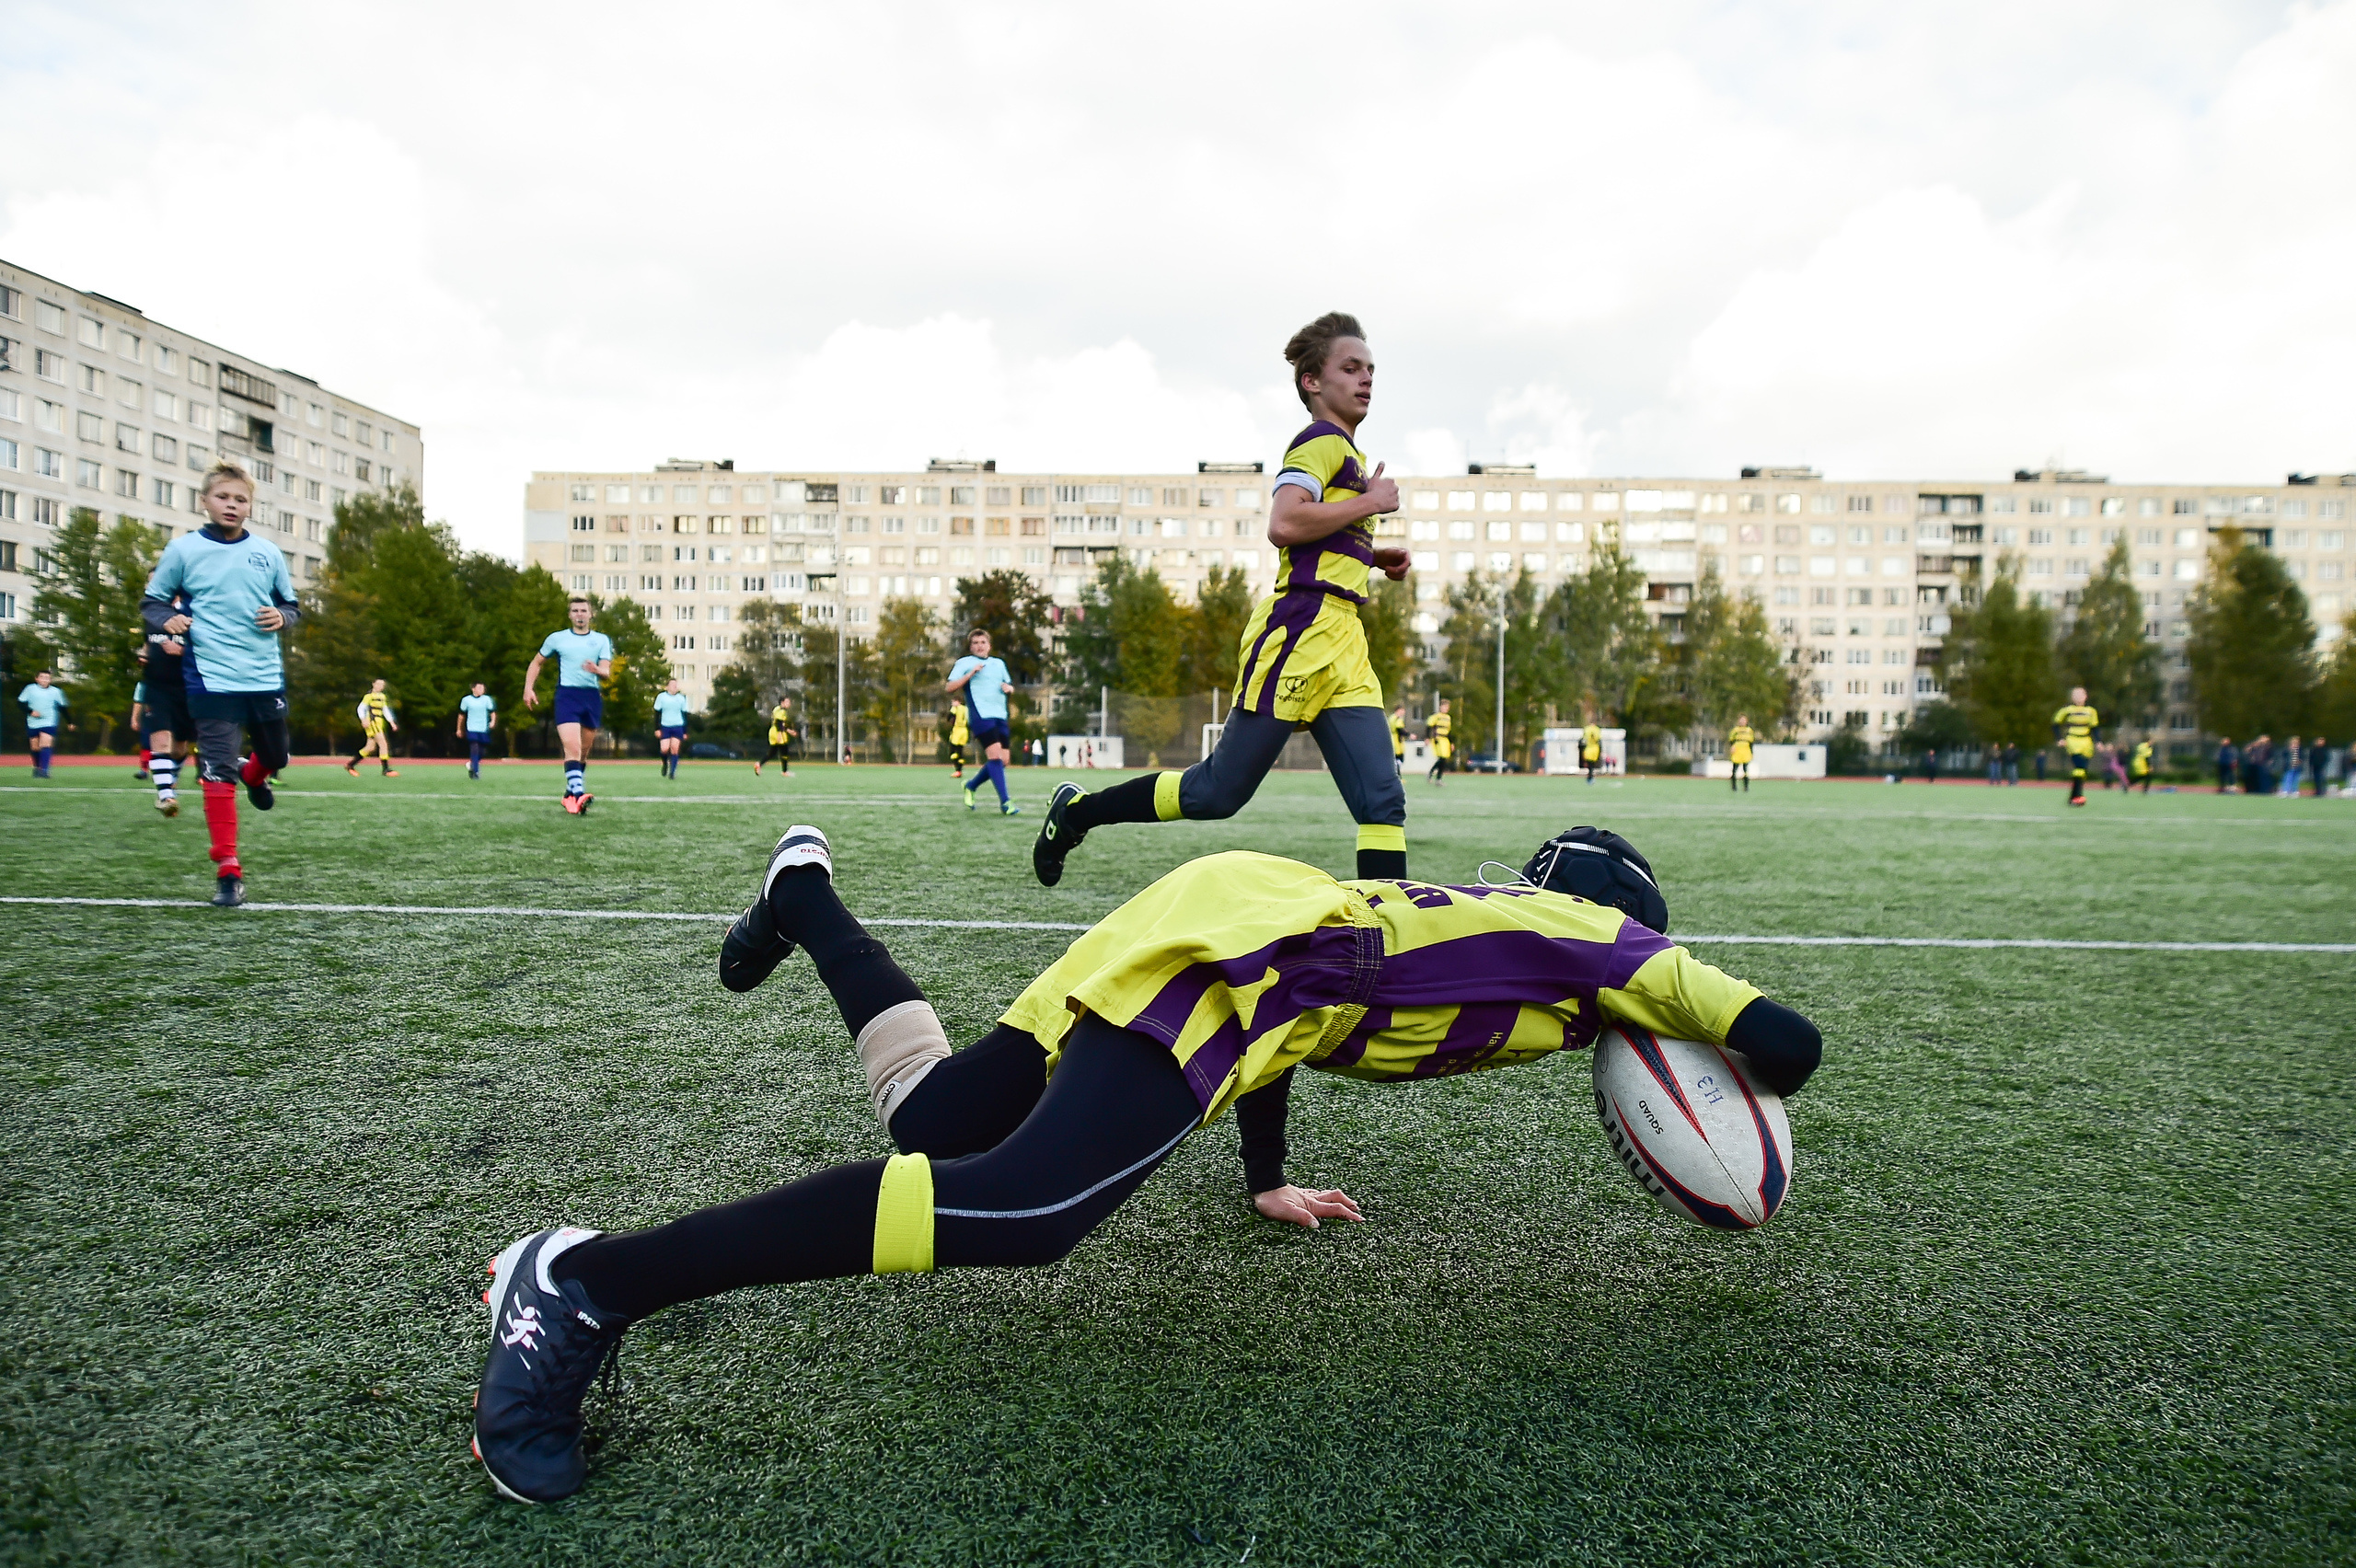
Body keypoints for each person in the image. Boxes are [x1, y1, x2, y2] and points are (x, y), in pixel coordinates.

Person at [471, 823, 1823, 1504]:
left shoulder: (1510, 938)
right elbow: (1788, 1040)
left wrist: (1259, 1181)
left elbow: (1297, 1044)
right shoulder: (1607, 946)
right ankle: (581, 1281)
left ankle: (802, 895)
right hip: (1259, 951)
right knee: (1030, 1208)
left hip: (1230, 922)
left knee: (937, 1126)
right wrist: (1726, 1086)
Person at [1031, 315, 1405, 885]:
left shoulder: (1348, 455)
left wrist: (1373, 558)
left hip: (1345, 639)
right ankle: (1079, 812)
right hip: (1300, 630)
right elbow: (1285, 523)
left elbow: (1315, 540)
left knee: (1382, 801)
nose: (1366, 380)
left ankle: (1388, 940)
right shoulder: (1320, 441)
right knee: (1218, 792)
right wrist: (1371, 504)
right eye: (1350, 368)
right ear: (1312, 382)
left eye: (1370, 370)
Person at [139, 462, 300, 907]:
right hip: (209, 678)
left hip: (264, 675)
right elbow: (151, 601)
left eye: (241, 498)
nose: (232, 504)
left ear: (251, 506)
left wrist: (282, 616)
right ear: (205, 501)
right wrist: (165, 618)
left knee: (277, 755)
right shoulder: (183, 550)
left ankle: (256, 774)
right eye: (223, 497)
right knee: (216, 768)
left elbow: (291, 604)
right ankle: (228, 869)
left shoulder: (268, 553)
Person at [523, 596, 614, 815]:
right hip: (567, 695)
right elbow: (536, 662)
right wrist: (528, 688)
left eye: (583, 610)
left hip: (591, 697)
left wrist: (597, 670)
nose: (579, 614)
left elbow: (607, 671)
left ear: (591, 614)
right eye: (575, 611)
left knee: (582, 754)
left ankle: (569, 796)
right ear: (569, 615)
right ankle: (579, 794)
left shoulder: (601, 640)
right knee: (572, 749)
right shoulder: (557, 639)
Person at [949, 628, 1019, 815]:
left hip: (1000, 715)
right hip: (981, 715)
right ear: (970, 647)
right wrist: (970, 674)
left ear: (989, 645)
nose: (979, 646)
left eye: (983, 642)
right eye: (975, 643)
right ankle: (1006, 803)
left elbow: (1009, 685)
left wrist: (1009, 689)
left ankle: (971, 786)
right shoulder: (965, 663)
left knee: (1003, 760)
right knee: (995, 757)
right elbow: (949, 687)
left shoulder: (998, 663)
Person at [136, 607, 194, 814]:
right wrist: (143, 655)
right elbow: (147, 645)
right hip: (156, 689)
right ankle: (166, 796)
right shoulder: (151, 617)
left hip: (187, 689)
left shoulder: (193, 612)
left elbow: (212, 650)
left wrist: (181, 651)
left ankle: (172, 777)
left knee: (179, 748)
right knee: (161, 741)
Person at [2050, 686, 2098, 807]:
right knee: (2079, 767)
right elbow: (2055, 723)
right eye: (2076, 695)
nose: (2079, 697)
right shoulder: (2067, 710)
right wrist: (2059, 739)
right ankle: (2078, 796)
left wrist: (2099, 742)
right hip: (2073, 740)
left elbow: (2095, 728)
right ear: (2072, 697)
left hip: (2086, 742)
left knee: (2082, 770)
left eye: (2081, 694)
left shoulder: (2091, 711)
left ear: (2086, 696)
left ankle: (2074, 797)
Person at [345, 679, 399, 778]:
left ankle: (351, 765)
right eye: (378, 684)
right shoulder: (369, 696)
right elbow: (361, 708)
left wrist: (392, 722)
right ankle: (386, 769)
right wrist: (363, 720)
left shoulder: (382, 697)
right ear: (373, 684)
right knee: (383, 743)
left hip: (379, 723)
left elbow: (385, 710)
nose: (380, 686)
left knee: (370, 748)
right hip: (372, 723)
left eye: (382, 685)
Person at [17, 670, 66, 778]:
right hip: (33, 722)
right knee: (35, 747)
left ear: (50, 680)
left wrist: (70, 722)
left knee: (45, 744)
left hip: (49, 721)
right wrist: (31, 712)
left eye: (47, 678)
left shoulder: (55, 691)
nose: (44, 679)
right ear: (37, 679)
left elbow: (63, 707)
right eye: (42, 677)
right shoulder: (30, 689)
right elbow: (20, 703)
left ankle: (44, 770)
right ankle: (37, 767)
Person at [456, 683, 498, 779]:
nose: (482, 689)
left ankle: (472, 764)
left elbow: (492, 712)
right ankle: (476, 772)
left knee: (483, 751)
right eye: (479, 687)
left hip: (483, 728)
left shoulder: (487, 699)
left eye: (483, 688)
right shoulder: (466, 700)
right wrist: (459, 728)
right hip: (472, 728)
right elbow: (461, 715)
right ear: (473, 689)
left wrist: (493, 721)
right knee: (474, 749)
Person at [653, 679, 689, 779]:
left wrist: (685, 731)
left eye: (676, 685)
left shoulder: (681, 698)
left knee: (674, 749)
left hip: (678, 726)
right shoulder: (661, 697)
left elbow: (685, 714)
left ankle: (672, 773)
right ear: (667, 687)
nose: (675, 687)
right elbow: (657, 713)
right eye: (673, 685)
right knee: (664, 749)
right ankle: (665, 764)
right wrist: (657, 728)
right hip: (665, 726)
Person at [755, 696, 794, 778]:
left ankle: (759, 764)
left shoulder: (776, 708)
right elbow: (779, 723)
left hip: (772, 731)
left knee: (772, 752)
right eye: (787, 702)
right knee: (784, 751)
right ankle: (785, 771)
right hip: (778, 732)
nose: (789, 703)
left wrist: (789, 731)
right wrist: (780, 735)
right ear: (782, 702)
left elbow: (778, 722)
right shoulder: (782, 711)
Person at [1426, 698, 1453, 786]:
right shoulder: (1436, 717)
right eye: (1444, 707)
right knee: (1442, 758)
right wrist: (1427, 737)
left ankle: (1435, 776)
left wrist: (1451, 743)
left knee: (1444, 759)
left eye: (1447, 707)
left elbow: (1449, 731)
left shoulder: (1448, 718)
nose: (1446, 709)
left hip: (1445, 740)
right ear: (1440, 707)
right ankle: (1436, 776)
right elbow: (1429, 727)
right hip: (1438, 739)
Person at [1727, 714, 1755, 793]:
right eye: (1741, 720)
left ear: (1746, 721)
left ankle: (1746, 787)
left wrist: (1752, 752)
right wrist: (1732, 747)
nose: (1742, 722)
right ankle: (1734, 787)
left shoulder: (1749, 730)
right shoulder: (1735, 730)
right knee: (1735, 769)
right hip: (1737, 750)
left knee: (1745, 769)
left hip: (1746, 751)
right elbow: (1731, 740)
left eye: (1744, 720)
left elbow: (1751, 742)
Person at [946, 699, 969, 779]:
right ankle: (960, 771)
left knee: (952, 751)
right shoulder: (966, 708)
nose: (952, 703)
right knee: (960, 751)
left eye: (954, 701)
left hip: (957, 730)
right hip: (965, 731)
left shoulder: (956, 708)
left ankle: (957, 770)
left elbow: (949, 717)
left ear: (958, 702)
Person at [1581, 719, 1603, 784]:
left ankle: (1590, 776)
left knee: (1589, 764)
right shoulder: (1597, 729)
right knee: (1592, 765)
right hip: (1595, 749)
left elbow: (1583, 740)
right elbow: (1599, 740)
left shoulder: (1586, 729)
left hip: (1588, 748)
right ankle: (1591, 776)